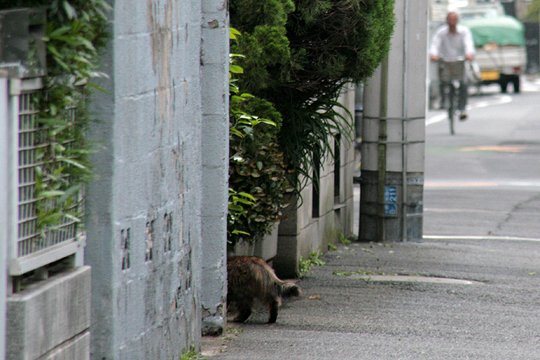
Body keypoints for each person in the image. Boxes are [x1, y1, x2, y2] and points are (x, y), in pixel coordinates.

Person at [430, 11, 475, 120]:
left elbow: (468, 44)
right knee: (443, 81)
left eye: (454, 20)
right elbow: (435, 45)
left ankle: (463, 108)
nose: (452, 23)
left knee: (463, 83)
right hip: (445, 61)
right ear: (446, 21)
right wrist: (433, 55)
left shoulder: (464, 31)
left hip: (459, 61)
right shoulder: (441, 32)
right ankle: (443, 101)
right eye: (450, 20)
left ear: (457, 21)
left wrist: (469, 54)